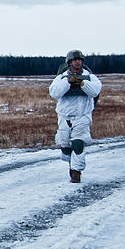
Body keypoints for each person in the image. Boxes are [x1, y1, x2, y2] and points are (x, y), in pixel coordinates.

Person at [49, 49, 102, 183]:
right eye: (75, 60)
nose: (77, 62)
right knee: (65, 146)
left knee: (78, 143)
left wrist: (83, 83)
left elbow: (95, 91)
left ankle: (76, 173)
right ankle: (71, 164)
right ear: (70, 62)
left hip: (82, 115)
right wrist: (68, 82)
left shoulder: (89, 76)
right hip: (64, 116)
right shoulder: (61, 77)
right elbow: (54, 93)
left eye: (79, 60)